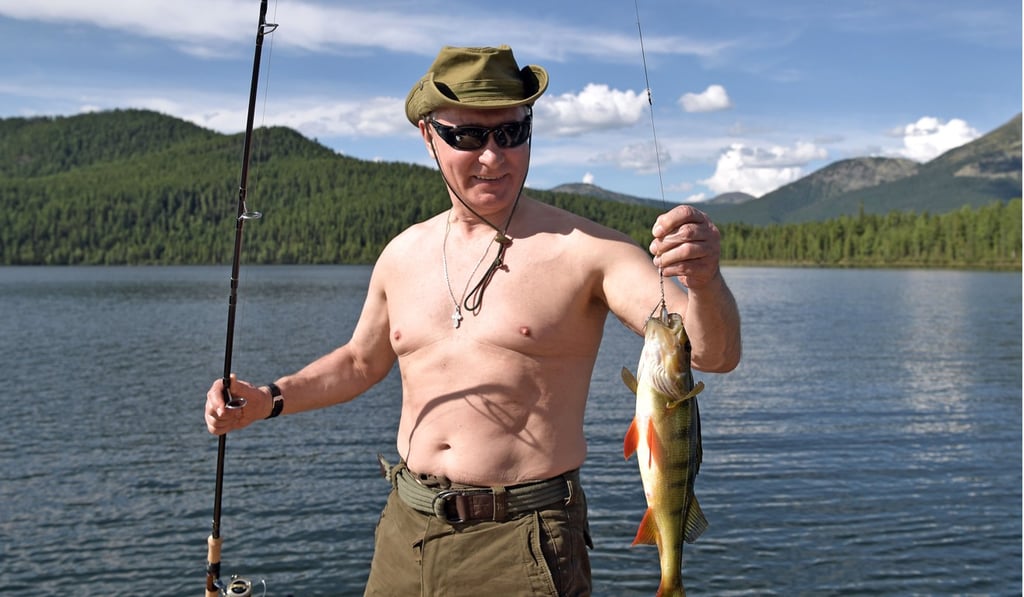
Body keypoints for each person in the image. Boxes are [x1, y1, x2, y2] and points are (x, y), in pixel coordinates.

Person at [205, 45, 741, 596]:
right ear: (427, 135)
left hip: (525, 541)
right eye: (467, 136)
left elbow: (710, 355)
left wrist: (704, 282)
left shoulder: (591, 251)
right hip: (405, 530)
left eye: (511, 133)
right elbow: (360, 362)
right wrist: (267, 399)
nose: (493, 157)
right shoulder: (402, 254)